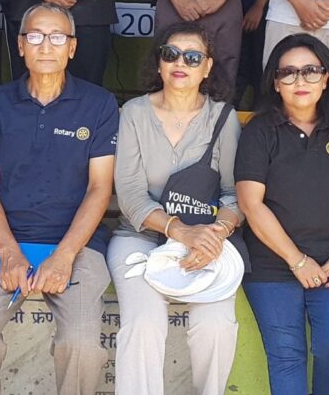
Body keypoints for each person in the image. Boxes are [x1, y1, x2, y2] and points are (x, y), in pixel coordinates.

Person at [0, 3, 119, 395]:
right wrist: (8, 251)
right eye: (35, 36)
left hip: (78, 245)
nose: (46, 46)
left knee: (82, 346)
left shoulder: (98, 104)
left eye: (57, 37)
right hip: (1, 241)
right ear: (20, 45)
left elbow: (99, 188)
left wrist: (64, 255)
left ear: (72, 47)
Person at [109, 22, 242, 395]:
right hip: (139, 236)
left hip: (208, 238)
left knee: (216, 327)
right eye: (171, 54)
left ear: (207, 67)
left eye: (193, 57)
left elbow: (234, 193)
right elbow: (130, 194)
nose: (180, 63)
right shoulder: (134, 112)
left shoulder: (222, 117)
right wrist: (180, 231)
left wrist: (215, 235)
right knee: (143, 324)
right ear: (159, 62)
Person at [235, 33, 329, 395]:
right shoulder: (260, 131)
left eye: (311, 71)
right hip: (271, 266)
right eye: (289, 72)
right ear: (275, 82)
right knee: (286, 356)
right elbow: (251, 204)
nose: (300, 80)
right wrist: (296, 260)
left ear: (326, 79)